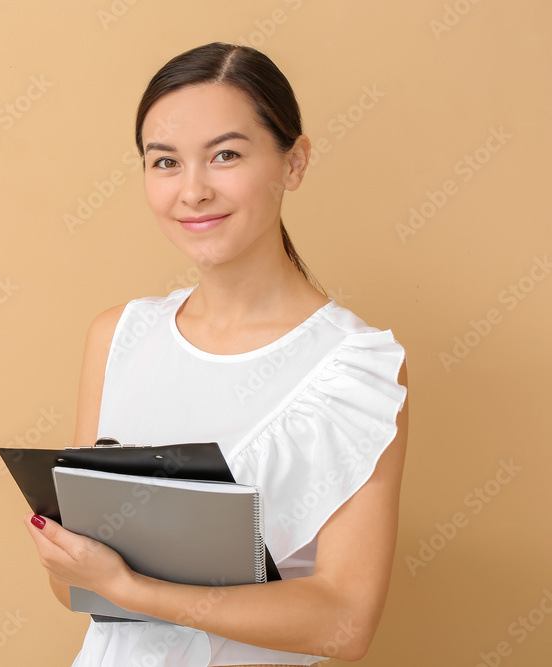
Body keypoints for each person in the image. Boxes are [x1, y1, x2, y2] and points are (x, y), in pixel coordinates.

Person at [22, 41, 410, 666]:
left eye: (225, 155)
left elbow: (345, 622)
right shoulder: (116, 337)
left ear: (295, 162)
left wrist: (131, 586)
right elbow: (74, 590)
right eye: (165, 163)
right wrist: (68, 561)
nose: (193, 191)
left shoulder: (354, 370)